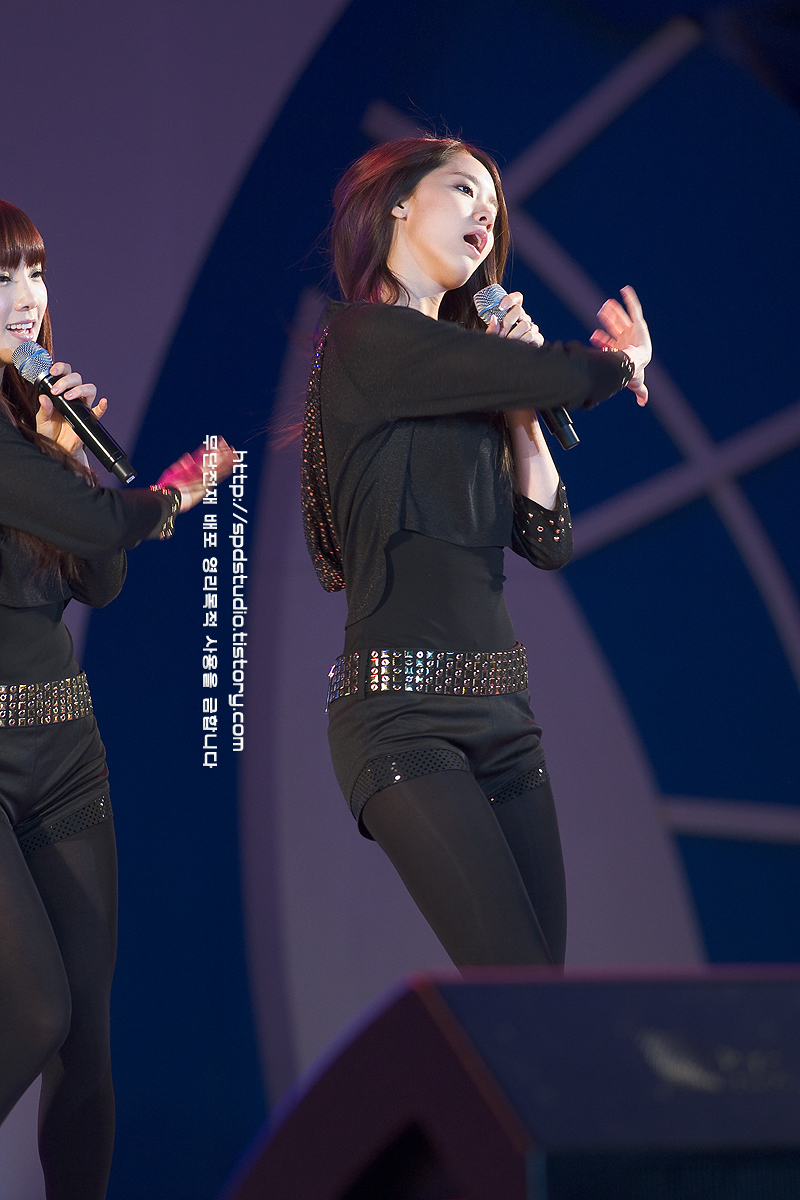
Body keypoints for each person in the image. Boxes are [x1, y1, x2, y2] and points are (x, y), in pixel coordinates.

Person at [302, 138, 651, 970]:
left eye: (493, 204)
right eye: (463, 190)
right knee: (513, 977)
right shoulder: (362, 337)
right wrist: (617, 362)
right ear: (397, 203)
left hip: (506, 722)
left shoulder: (466, 374)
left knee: (537, 1004)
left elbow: (548, 540)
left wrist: (521, 397)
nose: (485, 213)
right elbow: (581, 375)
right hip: (400, 717)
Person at [0, 199, 233, 1198]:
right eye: (3, 277)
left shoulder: (28, 426)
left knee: (87, 1050)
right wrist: (171, 493)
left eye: (34, 273)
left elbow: (98, 577)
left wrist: (68, 448)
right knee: (33, 1010)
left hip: (66, 756)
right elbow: (117, 525)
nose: (27, 296)